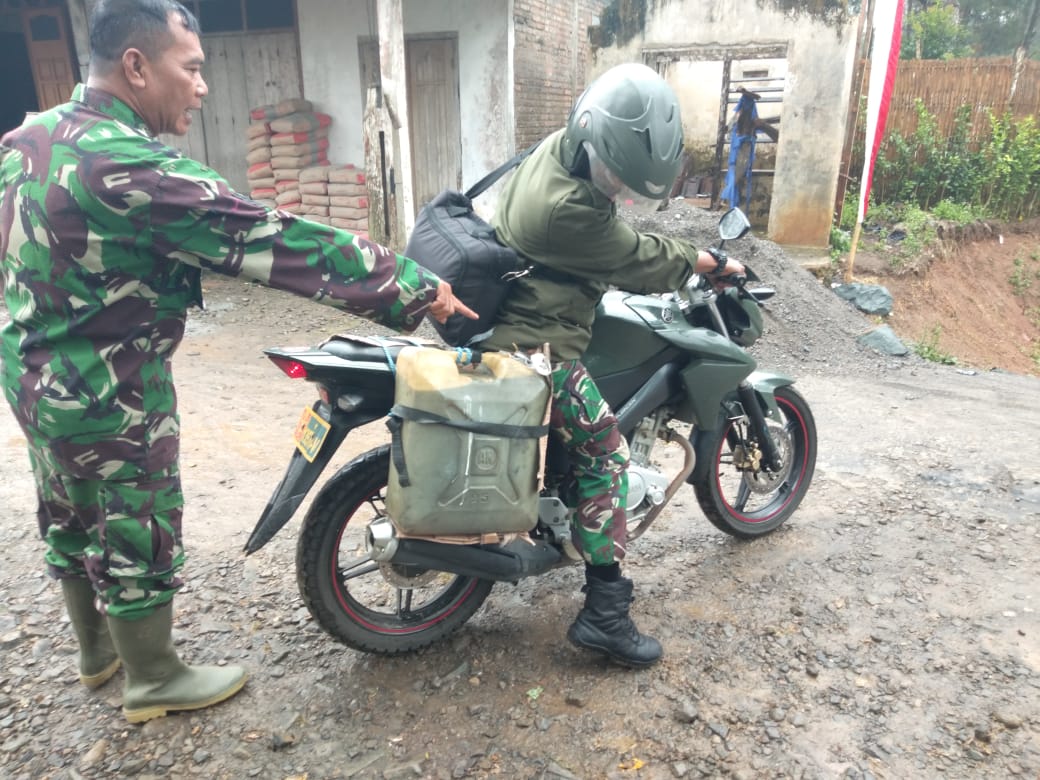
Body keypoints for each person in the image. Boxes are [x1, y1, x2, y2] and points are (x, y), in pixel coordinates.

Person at [0, 0, 474, 723]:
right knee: (136, 519)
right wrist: (411, 284)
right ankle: (152, 676)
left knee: (68, 510)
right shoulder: (132, 168)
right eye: (190, 68)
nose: (202, 86)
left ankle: (97, 655)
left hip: (31, 375)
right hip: (107, 387)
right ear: (136, 66)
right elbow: (269, 238)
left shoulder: (29, 137)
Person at [478, 63, 744, 667]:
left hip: (514, 310)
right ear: (594, 142)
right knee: (607, 454)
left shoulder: (557, 150)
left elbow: (613, 236)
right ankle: (605, 615)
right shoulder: (568, 212)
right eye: (614, 176)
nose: (615, 189)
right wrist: (703, 260)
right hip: (537, 344)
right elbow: (637, 257)